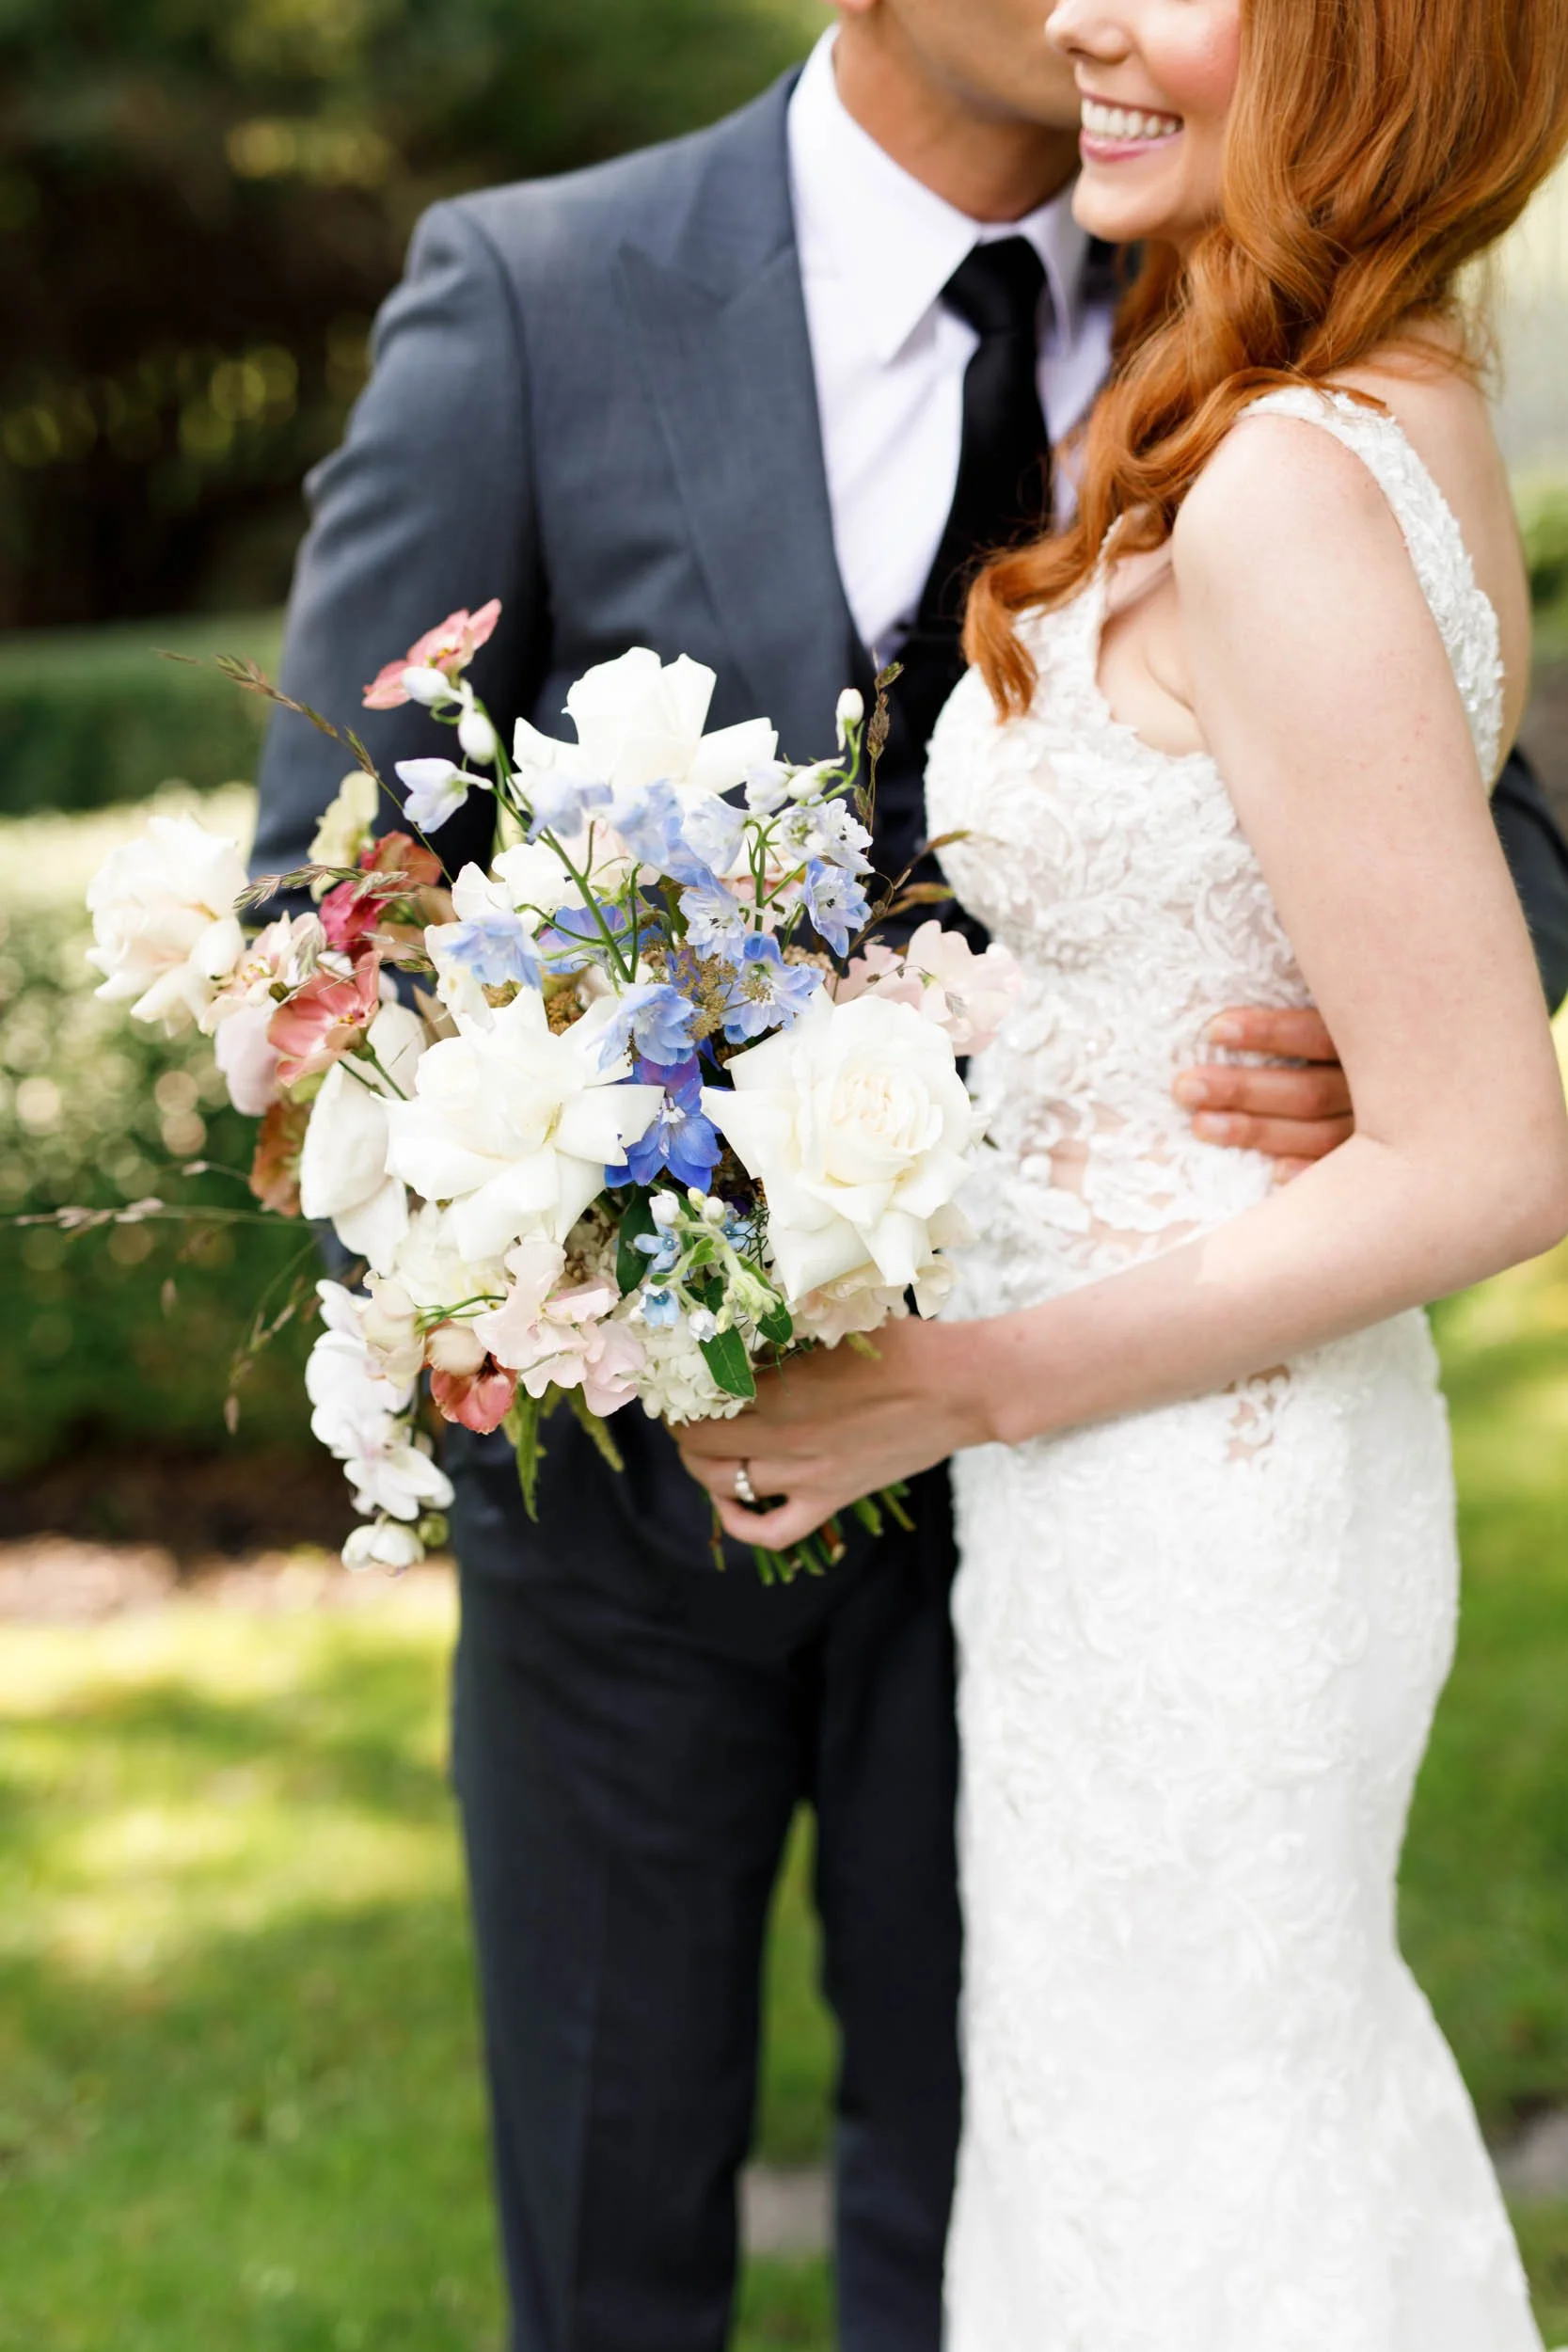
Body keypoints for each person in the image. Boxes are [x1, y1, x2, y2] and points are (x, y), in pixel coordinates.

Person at [252, 4, 1568, 2346]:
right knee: (620, 2214)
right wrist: (564, 1255)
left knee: (1039, 2180)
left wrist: (1365, 1038)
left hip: (1089, 1473)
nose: (1092, 10)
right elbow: (329, 924)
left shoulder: (1235, 316)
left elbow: (1456, 810)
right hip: (643, 1536)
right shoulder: (538, 287)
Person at [677, 0, 1568, 2341]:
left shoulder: (1285, 477)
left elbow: (1488, 1151)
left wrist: (947, 1378)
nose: (1076, 12)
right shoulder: (1378, 410)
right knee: (1141, 2148)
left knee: (1196, 2172)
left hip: (1198, 1500)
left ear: (1371, 50)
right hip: (1148, 1489)